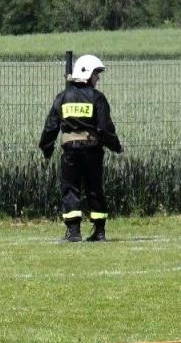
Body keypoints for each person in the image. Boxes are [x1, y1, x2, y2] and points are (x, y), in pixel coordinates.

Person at [38, 53, 123, 243]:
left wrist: (46, 148)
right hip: (93, 151)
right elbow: (105, 128)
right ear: (86, 74)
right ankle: (99, 232)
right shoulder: (97, 98)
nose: (98, 78)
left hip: (70, 153)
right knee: (95, 188)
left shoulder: (62, 97)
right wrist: (116, 146)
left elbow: (51, 126)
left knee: (70, 189)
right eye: (96, 74)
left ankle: (74, 232)